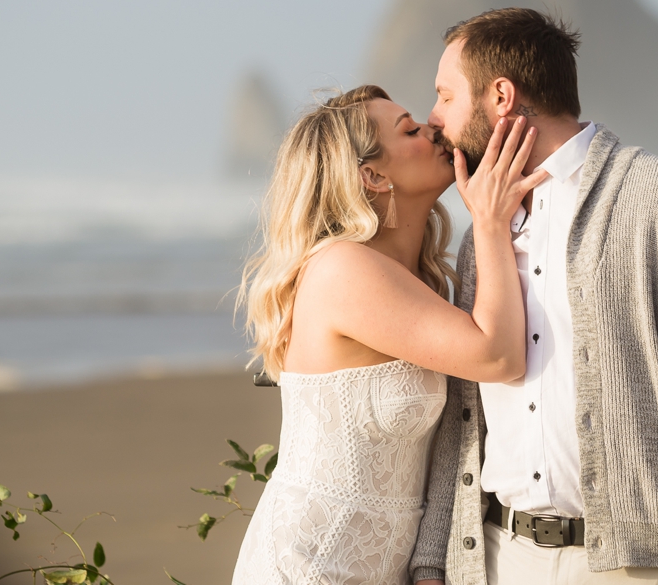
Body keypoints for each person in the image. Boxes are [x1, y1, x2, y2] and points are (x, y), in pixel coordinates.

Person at [410, 8, 658, 585]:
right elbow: (466, 413)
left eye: (445, 96)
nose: (434, 118)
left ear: (501, 96)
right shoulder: (480, 235)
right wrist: (434, 557)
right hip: (496, 558)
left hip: (635, 565)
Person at [231, 84, 548, 585]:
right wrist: (489, 222)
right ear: (373, 175)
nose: (433, 126)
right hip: (310, 567)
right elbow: (498, 356)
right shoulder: (343, 269)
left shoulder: (416, 281)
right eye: (410, 129)